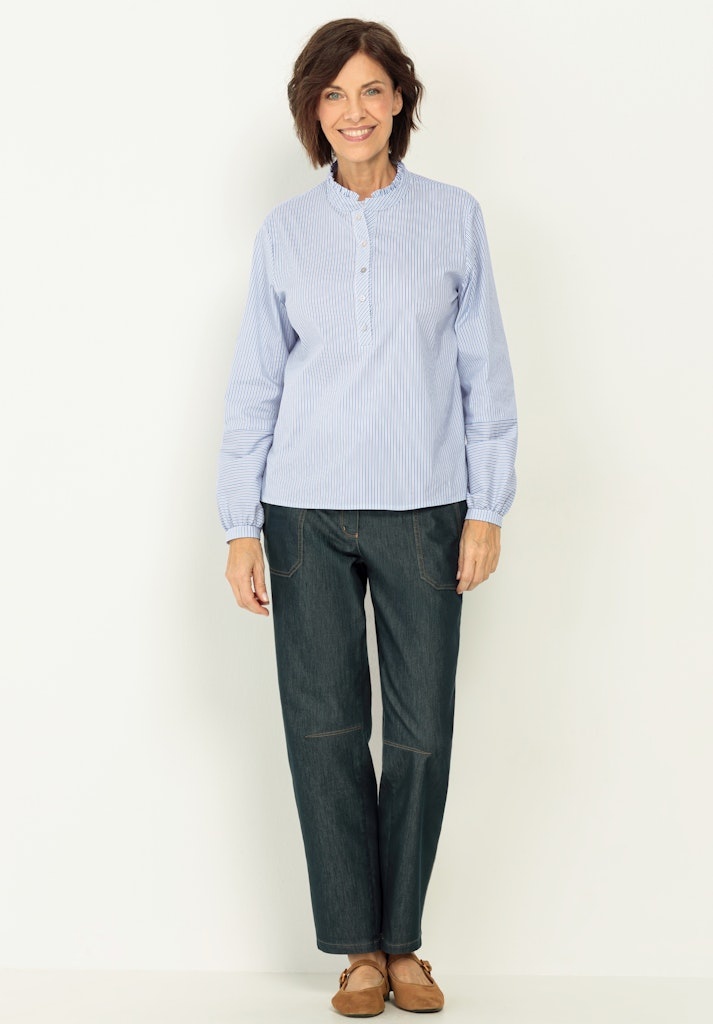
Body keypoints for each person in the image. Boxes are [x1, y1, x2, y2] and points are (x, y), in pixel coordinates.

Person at [216, 17, 518, 1017]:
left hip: (425, 507)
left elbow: (484, 374)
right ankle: (357, 951)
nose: (354, 110)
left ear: (399, 102)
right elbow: (255, 383)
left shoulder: (453, 218)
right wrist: (240, 524)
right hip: (301, 512)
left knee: (422, 731)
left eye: (372, 90)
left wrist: (486, 507)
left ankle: (404, 943)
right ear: (314, 111)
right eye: (334, 94)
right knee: (325, 731)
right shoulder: (283, 233)